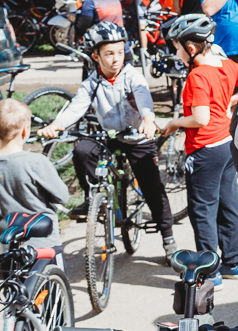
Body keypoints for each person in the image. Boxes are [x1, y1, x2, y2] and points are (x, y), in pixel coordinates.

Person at [38, 22, 176, 252]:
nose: (116, 59)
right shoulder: (91, 83)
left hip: (138, 137)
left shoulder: (132, 76)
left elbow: (143, 98)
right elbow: (76, 107)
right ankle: (93, 198)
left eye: (120, 52)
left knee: (152, 186)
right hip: (109, 136)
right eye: (109, 54)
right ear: (96, 57)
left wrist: (148, 120)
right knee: (82, 150)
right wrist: (57, 125)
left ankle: (168, 237)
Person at [157, 15, 238, 282]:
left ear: (191, 48)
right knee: (228, 204)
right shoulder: (226, 65)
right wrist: (232, 102)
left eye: (177, 47)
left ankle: (209, 273)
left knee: (203, 211)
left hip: (204, 149)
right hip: (226, 145)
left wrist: (174, 123)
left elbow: (200, 119)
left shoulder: (197, 76)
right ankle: (234, 263)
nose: (176, 52)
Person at [0, 99, 68, 264]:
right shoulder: (36, 162)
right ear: (26, 130)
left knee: (14, 279)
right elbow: (62, 196)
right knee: (52, 279)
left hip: (10, 245)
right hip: (45, 244)